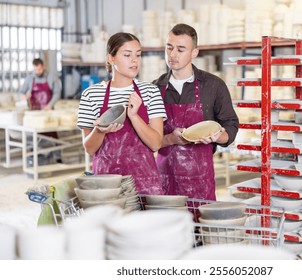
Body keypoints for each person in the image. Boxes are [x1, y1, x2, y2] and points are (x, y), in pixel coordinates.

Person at [154, 23, 239, 200]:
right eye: (169, 47)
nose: (172, 54)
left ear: (194, 53)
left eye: (180, 49)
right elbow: (146, 140)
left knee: (200, 227)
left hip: (200, 181)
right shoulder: (154, 89)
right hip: (164, 182)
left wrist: (218, 136)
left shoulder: (213, 86)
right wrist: (170, 139)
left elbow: (230, 125)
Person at [77, 32, 167, 195]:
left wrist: (134, 116)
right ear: (111, 58)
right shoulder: (91, 94)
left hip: (145, 185)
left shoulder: (150, 92)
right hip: (106, 186)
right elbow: (89, 149)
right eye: (127, 55)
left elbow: (156, 143)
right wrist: (99, 130)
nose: (134, 60)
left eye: (138, 55)